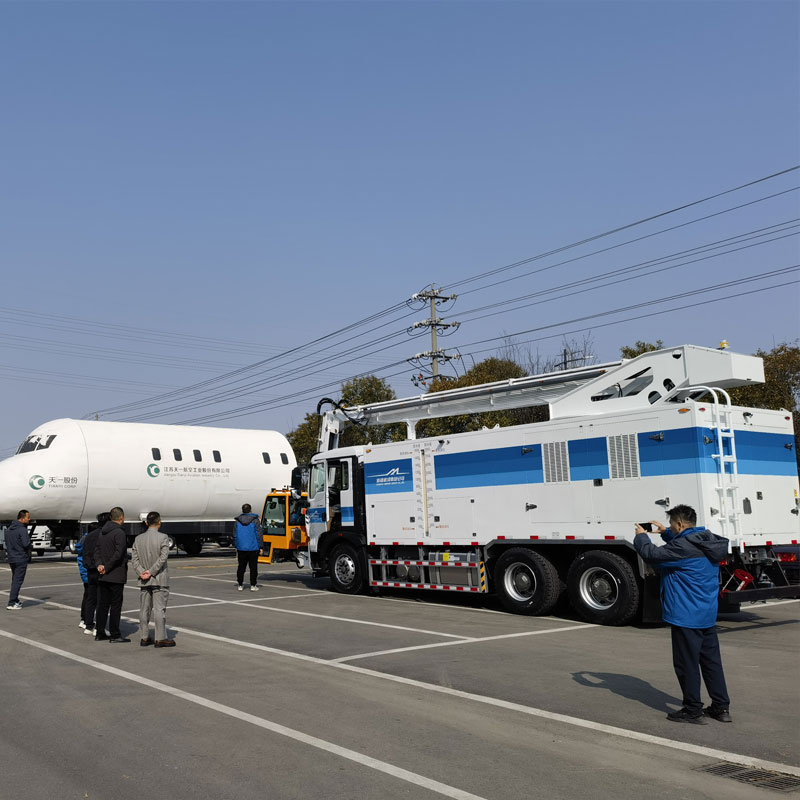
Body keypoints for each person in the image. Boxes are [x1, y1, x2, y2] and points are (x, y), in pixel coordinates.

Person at [634, 505, 732, 725]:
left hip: (686, 615)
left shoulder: (682, 548)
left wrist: (641, 537)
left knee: (686, 663)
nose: (669, 527)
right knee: (711, 662)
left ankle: (692, 709)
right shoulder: (707, 539)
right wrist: (665, 533)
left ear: (679, 524)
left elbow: (652, 554)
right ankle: (721, 707)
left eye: (671, 525)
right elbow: (684, 545)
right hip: (706, 613)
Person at [130, 511, 174, 648]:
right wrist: (151, 571)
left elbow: (134, 559)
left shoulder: (138, 539)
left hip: (144, 579)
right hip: (159, 578)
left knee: (144, 609)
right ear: (159, 522)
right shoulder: (163, 537)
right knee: (159, 609)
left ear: (146, 523)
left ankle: (144, 637)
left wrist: (142, 572)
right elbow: (163, 557)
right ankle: (160, 638)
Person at [94, 506, 129, 643]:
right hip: (115, 574)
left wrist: (99, 565)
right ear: (121, 517)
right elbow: (119, 554)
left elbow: (96, 551)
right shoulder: (119, 533)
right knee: (115, 605)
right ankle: (115, 634)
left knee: (102, 605)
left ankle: (100, 632)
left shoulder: (102, 532)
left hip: (103, 575)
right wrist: (107, 567)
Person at [77, 512, 108, 636]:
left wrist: (88, 566)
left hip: (89, 570)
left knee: (90, 598)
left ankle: (87, 624)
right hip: (99, 570)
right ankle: (99, 628)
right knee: (101, 600)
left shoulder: (88, 537)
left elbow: (85, 554)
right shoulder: (102, 535)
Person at [5, 510, 32, 610]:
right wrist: (30, 546)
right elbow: (26, 544)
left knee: (15, 579)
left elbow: (7, 543)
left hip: (12, 558)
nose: (29, 519)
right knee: (18, 580)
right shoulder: (22, 529)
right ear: (22, 518)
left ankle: (15, 600)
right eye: (28, 517)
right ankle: (12, 602)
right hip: (20, 558)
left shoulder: (9, 529)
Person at [234, 503, 262, 591]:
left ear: (242, 510)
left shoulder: (237, 521)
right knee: (253, 567)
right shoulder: (255, 520)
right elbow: (259, 534)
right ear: (250, 510)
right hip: (253, 547)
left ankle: (240, 584)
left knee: (241, 567)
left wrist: (236, 546)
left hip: (241, 547)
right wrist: (261, 547)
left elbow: (235, 535)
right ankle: (253, 585)